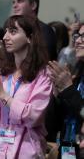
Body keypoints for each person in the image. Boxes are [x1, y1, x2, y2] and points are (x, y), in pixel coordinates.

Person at [0, 15, 53, 159]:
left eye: (13, 31)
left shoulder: (43, 75)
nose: (5, 37)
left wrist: (2, 94)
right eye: (6, 31)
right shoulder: (3, 72)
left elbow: (34, 117)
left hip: (26, 150)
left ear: (30, 37)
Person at [46, 24, 84, 158]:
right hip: (68, 148)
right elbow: (57, 120)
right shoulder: (78, 74)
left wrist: (68, 89)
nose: (77, 41)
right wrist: (57, 95)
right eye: (78, 36)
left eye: (83, 36)